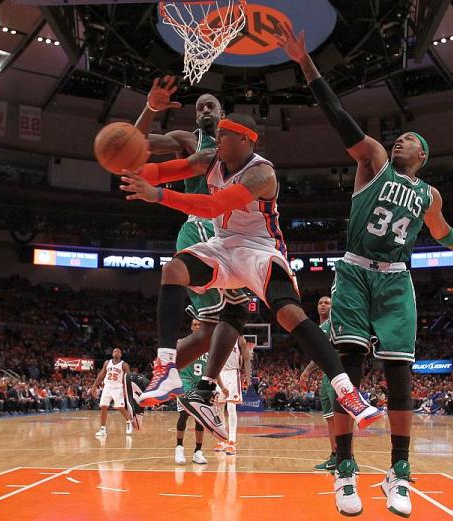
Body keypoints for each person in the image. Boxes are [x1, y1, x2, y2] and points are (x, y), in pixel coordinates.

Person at [277, 24, 453, 518]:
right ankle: (345, 470)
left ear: (421, 156)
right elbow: (338, 116)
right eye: (398, 136)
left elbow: (441, 228)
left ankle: (398, 474)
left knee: (400, 375)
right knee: (349, 370)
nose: (397, 140)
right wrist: (305, 62)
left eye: (408, 139)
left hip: (396, 279)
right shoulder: (374, 162)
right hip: (357, 272)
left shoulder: (429, 194)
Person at [122, 112, 381, 443]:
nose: (217, 140)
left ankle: (347, 391)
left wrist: (157, 195)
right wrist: (127, 166)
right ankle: (165, 368)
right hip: (222, 247)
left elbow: (215, 205)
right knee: (173, 269)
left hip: (259, 250)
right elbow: (156, 171)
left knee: (289, 314)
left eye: (224, 135)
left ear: (245, 140)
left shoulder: (261, 173)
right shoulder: (208, 159)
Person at [134, 76, 248, 368]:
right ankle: (166, 379)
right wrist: (150, 108)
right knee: (215, 325)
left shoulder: (239, 149)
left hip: (232, 233)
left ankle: (157, 384)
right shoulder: (188, 139)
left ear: (222, 114)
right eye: (200, 108)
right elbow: (135, 145)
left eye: (211, 106)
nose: (206, 110)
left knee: (221, 328)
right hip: (203, 226)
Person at [299, 295, 338, 471]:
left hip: (336, 374)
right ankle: (335, 455)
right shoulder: (318, 327)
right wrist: (307, 371)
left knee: (339, 418)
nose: (323, 305)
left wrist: (307, 371)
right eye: (320, 302)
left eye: (327, 303)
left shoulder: (333, 325)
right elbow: (319, 355)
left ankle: (346, 457)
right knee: (330, 419)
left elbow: (327, 351)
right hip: (326, 375)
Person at [175, 319, 209, 465]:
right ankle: (179, 447)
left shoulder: (209, 344)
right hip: (185, 381)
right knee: (184, 414)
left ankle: (198, 451)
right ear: (190, 326)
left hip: (202, 384)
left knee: (200, 417)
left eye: (199, 325)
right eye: (194, 324)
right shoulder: (182, 342)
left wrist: (216, 387)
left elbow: (212, 366)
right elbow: (173, 363)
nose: (197, 326)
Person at [214, 334, 251, 455]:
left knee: (231, 407)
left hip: (233, 374)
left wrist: (248, 376)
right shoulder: (218, 336)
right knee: (219, 409)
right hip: (220, 373)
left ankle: (232, 441)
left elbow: (246, 358)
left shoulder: (240, 339)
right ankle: (222, 439)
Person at [89, 348, 133, 438]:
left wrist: (127, 390)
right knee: (103, 406)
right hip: (107, 387)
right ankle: (102, 429)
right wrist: (94, 386)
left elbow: (129, 378)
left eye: (118, 351)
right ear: (112, 354)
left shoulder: (124, 365)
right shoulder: (107, 363)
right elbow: (101, 375)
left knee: (119, 407)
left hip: (118, 388)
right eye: (114, 351)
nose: (116, 352)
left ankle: (129, 422)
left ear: (121, 355)